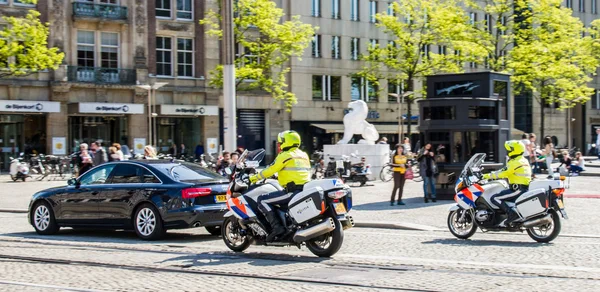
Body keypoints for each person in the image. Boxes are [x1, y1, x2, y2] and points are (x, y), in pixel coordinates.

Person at [249, 130, 311, 241]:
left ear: (286, 142)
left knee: (262, 200)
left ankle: (277, 228)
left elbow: (270, 170)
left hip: (292, 191)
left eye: (280, 142)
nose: (279, 145)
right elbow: (296, 172)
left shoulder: (285, 155)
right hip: (305, 189)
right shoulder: (303, 155)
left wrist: (253, 178)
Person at [483, 141, 532, 226]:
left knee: (495, 198)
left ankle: (512, 214)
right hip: (521, 188)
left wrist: (484, 176)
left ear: (514, 151)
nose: (508, 152)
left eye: (509, 150)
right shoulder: (523, 160)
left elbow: (502, 173)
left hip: (517, 189)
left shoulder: (515, 162)